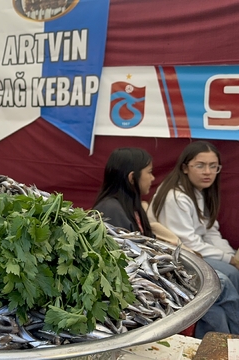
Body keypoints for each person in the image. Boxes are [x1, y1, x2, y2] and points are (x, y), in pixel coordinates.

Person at [95, 146, 239, 339]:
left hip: (158, 274)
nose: (153, 178)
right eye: (149, 173)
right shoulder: (111, 209)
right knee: (222, 281)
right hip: (147, 284)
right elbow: (127, 263)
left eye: (213, 166)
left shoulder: (131, 206)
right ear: (132, 178)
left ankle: (223, 347)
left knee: (216, 312)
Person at [148, 141, 239, 289]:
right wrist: (229, 259)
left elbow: (210, 231)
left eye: (213, 166)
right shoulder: (175, 197)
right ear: (185, 168)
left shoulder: (199, 191)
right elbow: (187, 242)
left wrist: (230, 255)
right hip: (178, 257)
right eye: (200, 165)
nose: (208, 172)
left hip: (196, 251)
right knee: (231, 273)